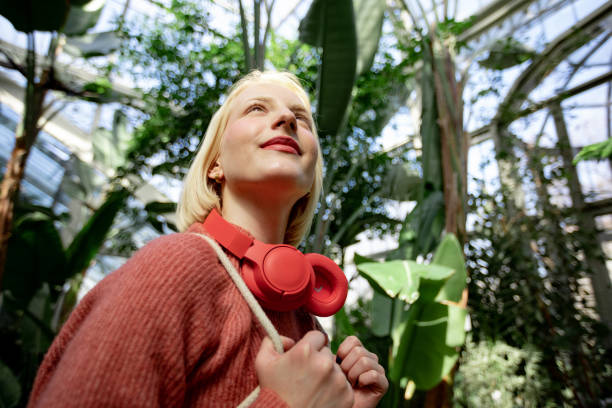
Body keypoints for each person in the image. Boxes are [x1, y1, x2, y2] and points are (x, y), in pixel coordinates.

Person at [28, 70, 388, 408]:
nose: (287, 120)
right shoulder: (176, 265)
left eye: (301, 118)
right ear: (215, 164)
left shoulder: (305, 321)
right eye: (257, 108)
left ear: (310, 179)